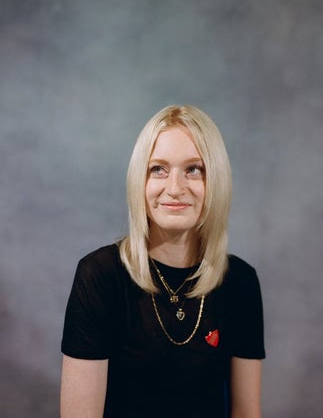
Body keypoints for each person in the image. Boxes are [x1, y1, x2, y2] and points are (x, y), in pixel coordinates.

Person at [60, 105, 265, 417]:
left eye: (194, 169)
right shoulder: (99, 276)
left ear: (216, 182)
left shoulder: (240, 281)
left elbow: (247, 413)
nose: (174, 188)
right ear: (139, 181)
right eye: (158, 169)